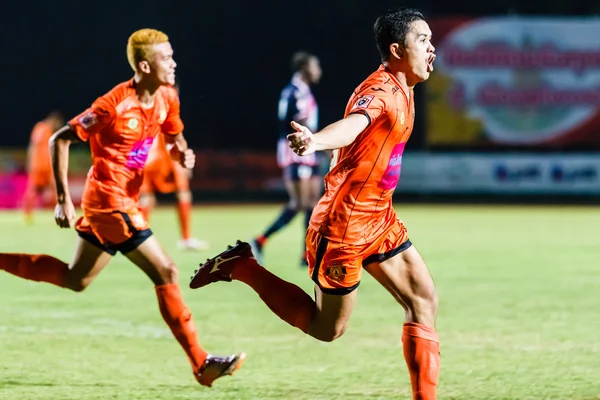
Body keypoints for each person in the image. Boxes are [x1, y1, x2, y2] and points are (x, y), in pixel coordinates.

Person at [190, 9, 439, 399]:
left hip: (379, 217)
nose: (432, 48)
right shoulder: (383, 93)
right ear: (396, 49)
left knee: (423, 299)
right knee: (328, 329)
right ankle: (244, 266)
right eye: (422, 40)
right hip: (343, 226)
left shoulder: (404, 86)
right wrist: (317, 141)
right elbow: (356, 122)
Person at [0, 28, 244, 387]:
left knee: (75, 279)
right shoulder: (112, 105)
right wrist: (64, 200)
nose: (174, 64)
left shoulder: (167, 98)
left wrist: (181, 153)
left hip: (126, 200)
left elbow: (175, 136)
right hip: (108, 204)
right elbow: (59, 140)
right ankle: (201, 364)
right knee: (167, 272)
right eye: (167, 58)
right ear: (145, 66)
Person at [250, 51, 322, 266]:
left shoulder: (303, 91)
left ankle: (306, 254)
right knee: (299, 203)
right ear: (305, 68)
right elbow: (291, 123)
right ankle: (260, 240)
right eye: (315, 66)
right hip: (297, 152)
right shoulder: (295, 92)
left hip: (309, 150)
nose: (319, 70)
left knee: (313, 205)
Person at [140, 94, 209, 251]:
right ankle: (185, 238)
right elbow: (173, 135)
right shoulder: (164, 101)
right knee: (174, 194)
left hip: (150, 156)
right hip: (158, 156)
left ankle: (142, 240)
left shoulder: (149, 99)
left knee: (149, 198)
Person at [23, 111, 64, 223]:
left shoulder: (38, 127)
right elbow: (51, 150)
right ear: (55, 121)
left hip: (36, 165)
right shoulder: (49, 131)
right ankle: (58, 214)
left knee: (33, 190)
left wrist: (30, 162)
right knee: (57, 190)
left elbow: (32, 147)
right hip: (46, 165)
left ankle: (27, 215)